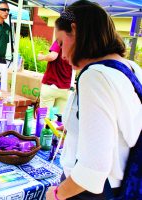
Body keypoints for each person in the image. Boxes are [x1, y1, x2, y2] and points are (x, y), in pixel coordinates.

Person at [46, 1, 142, 200]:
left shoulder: (94, 77)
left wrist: (56, 195)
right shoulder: (132, 68)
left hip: (91, 193)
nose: (62, 54)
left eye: (62, 43)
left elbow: (93, 170)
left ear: (74, 30)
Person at [38, 41, 72, 115]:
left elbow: (53, 56)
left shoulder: (60, 40)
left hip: (51, 85)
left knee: (44, 118)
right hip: (65, 88)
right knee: (57, 118)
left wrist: (42, 57)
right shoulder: (76, 44)